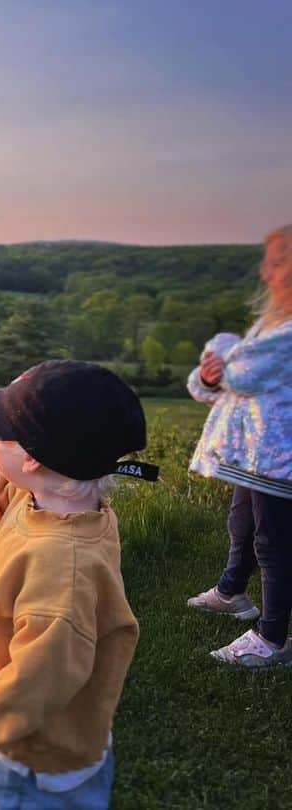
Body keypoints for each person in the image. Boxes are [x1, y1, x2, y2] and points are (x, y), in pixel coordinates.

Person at [0, 360, 157, 809]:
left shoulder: (62, 568)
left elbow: (39, 677)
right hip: (43, 736)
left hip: (39, 762)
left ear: (31, 459)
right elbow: (4, 487)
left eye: (0, 433)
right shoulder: (59, 497)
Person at [186, 224, 292, 669]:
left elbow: (245, 375)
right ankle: (232, 591)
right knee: (242, 524)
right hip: (253, 455)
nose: (264, 269)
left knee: (273, 541)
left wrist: (220, 354)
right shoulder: (271, 323)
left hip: (279, 459)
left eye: (276, 259)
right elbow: (218, 384)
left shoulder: (286, 333)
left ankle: (273, 637)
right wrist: (211, 374)